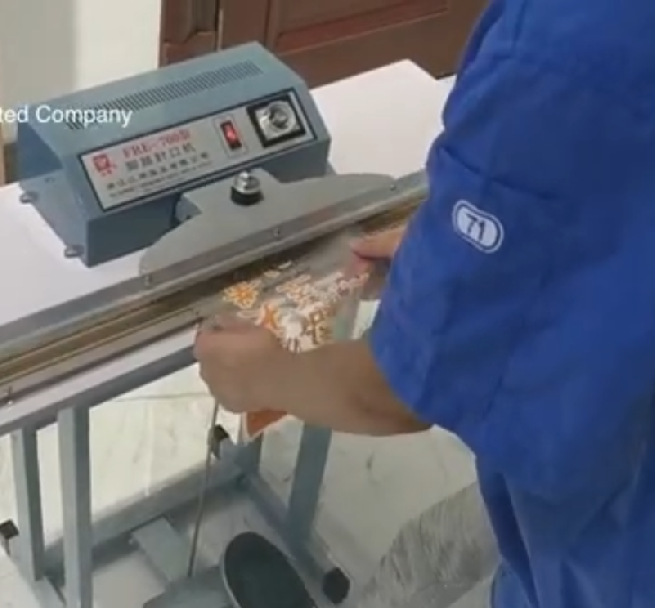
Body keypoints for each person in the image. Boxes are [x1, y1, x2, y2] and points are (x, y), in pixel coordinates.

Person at [193, 0, 655, 605]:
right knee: (429, 550)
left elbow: (399, 391)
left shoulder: (559, 49)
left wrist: (264, 378)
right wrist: (457, 256)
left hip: (619, 545)